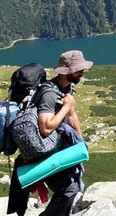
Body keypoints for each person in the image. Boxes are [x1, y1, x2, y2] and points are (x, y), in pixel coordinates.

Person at [37, 49, 93, 216]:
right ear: (65, 71)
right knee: (69, 189)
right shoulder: (49, 94)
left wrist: (81, 142)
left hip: (60, 147)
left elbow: (72, 116)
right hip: (45, 150)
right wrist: (67, 106)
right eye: (78, 70)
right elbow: (46, 128)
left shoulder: (66, 88)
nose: (82, 73)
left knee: (74, 185)